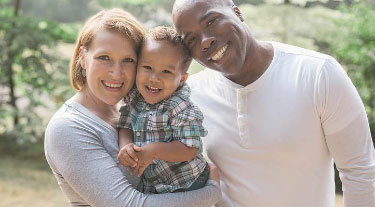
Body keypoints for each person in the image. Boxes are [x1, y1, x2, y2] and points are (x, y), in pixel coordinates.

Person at [172, 0, 375, 206]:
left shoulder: (318, 74)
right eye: (191, 40)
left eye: (211, 21)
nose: (205, 41)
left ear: (237, 12)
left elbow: (359, 170)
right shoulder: (190, 97)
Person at [44, 8, 221, 207]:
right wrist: (213, 192)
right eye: (104, 57)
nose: (116, 73)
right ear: (83, 58)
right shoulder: (68, 128)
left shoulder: (136, 106)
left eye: (128, 60)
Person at [117, 26, 209, 194]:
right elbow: (125, 125)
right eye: (147, 67)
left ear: (181, 79)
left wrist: (154, 150)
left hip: (187, 181)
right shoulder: (134, 98)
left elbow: (190, 148)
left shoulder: (181, 107)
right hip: (156, 184)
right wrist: (126, 146)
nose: (154, 78)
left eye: (166, 71)